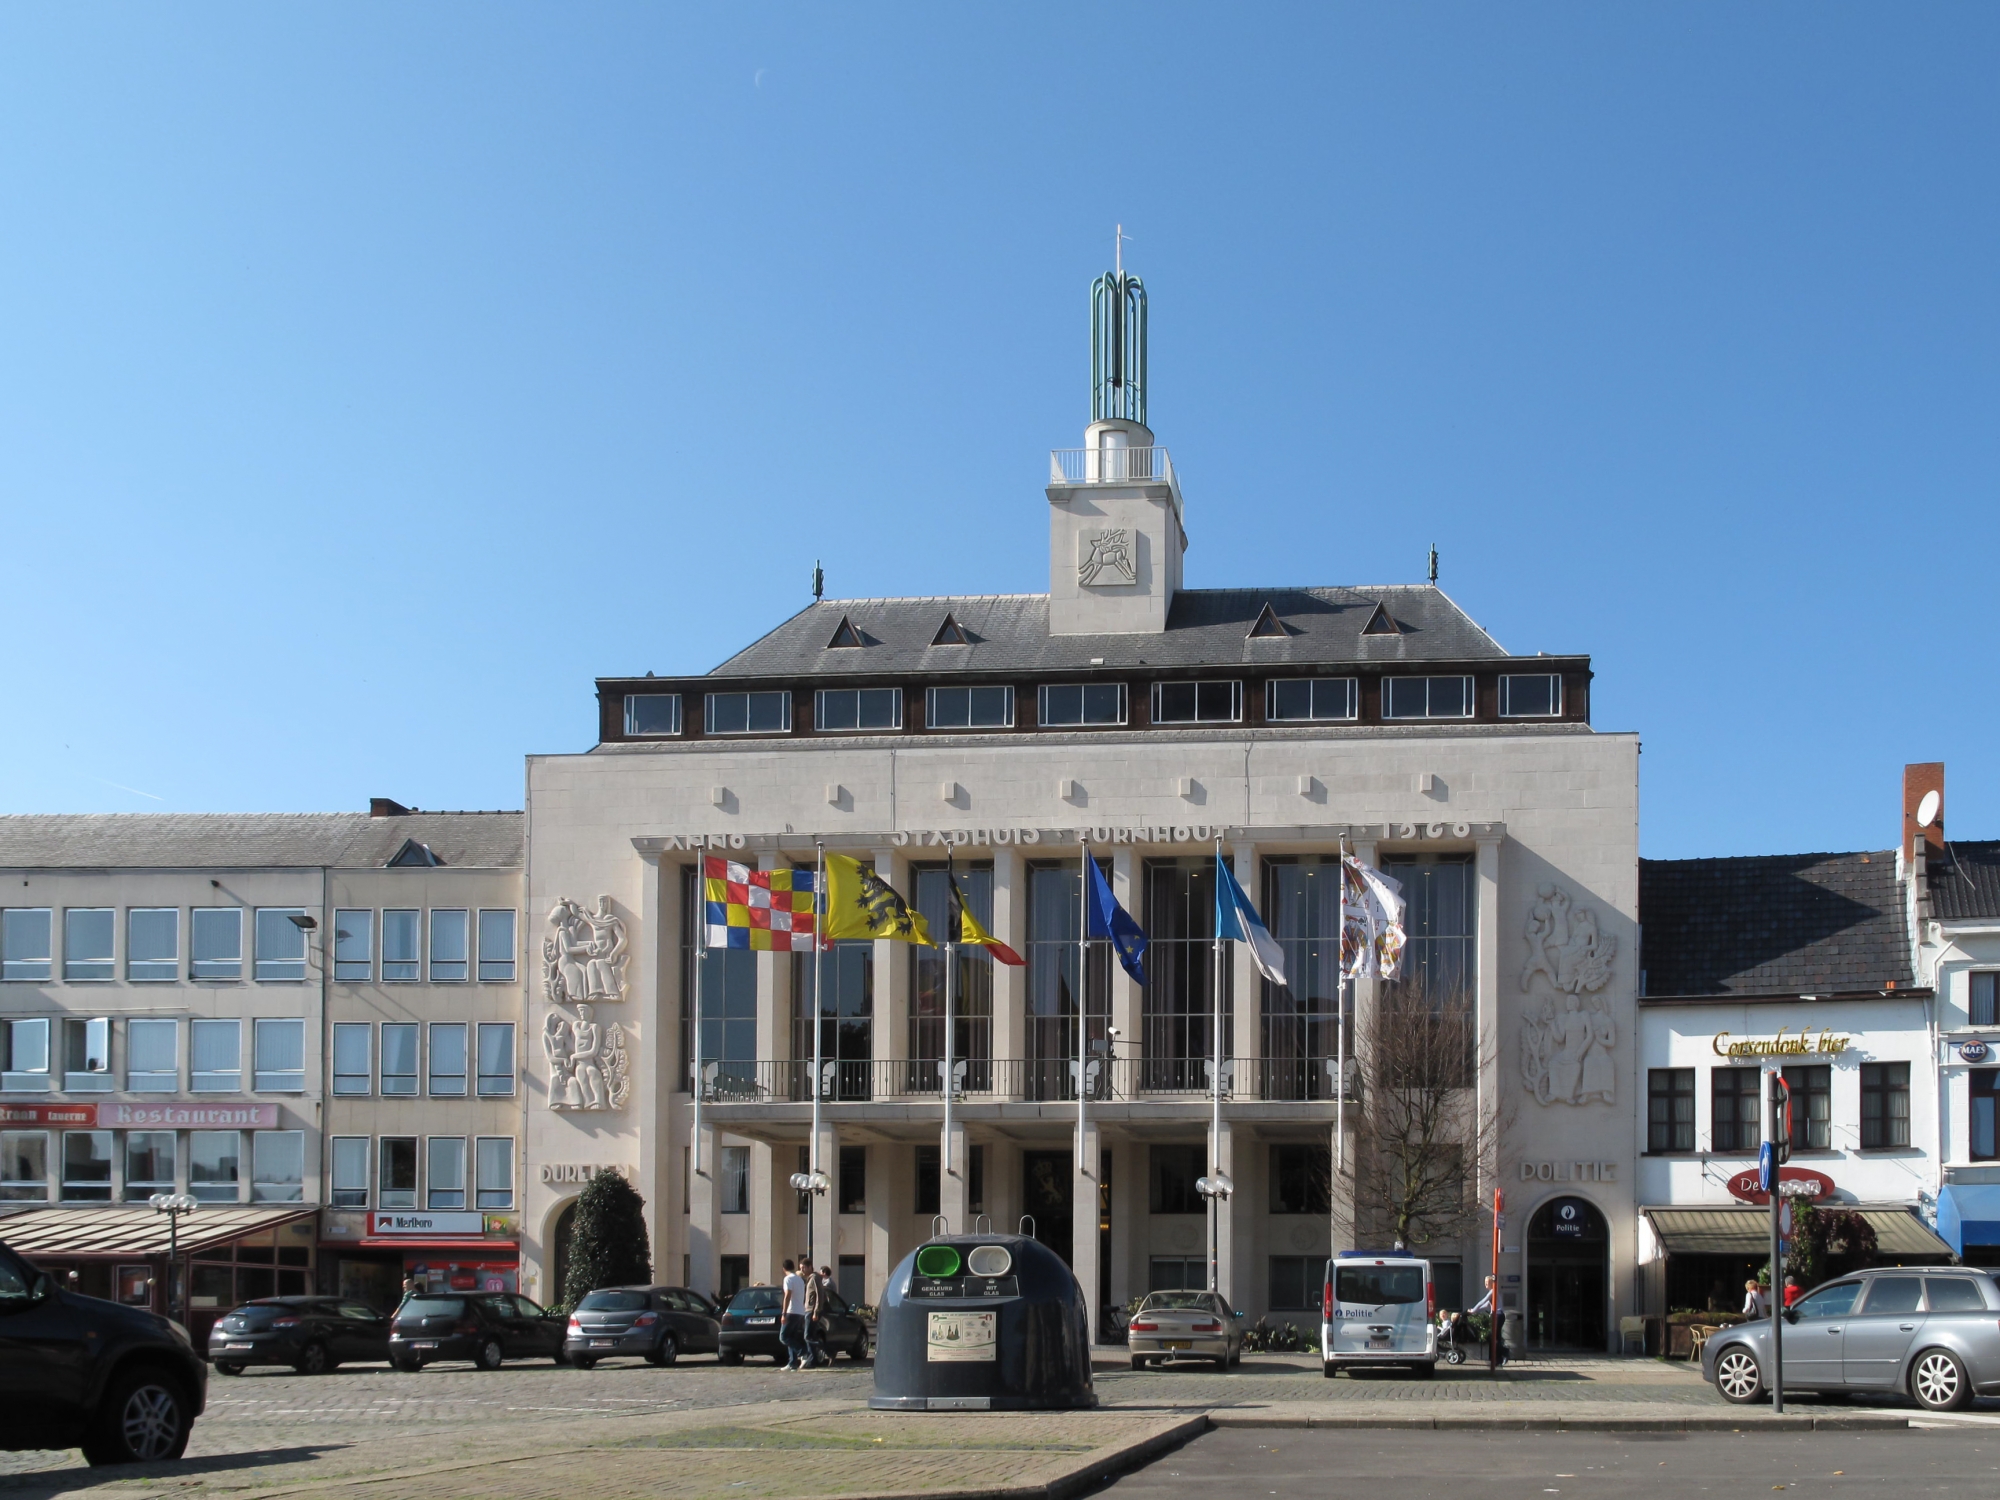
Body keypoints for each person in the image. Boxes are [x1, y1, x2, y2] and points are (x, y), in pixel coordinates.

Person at [780, 1259, 809, 1371]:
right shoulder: (800, 1280)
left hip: (791, 1311)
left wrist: (783, 1313)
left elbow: (788, 1295)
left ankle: (803, 1353)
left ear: (784, 1269)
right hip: (800, 1311)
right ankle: (792, 1363)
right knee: (791, 1337)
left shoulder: (788, 1279)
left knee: (784, 1337)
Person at [801, 1252, 826, 1368]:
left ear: (810, 1267)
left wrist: (816, 1311)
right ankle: (814, 1359)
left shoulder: (815, 1278)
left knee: (807, 1336)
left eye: (804, 1268)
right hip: (808, 1309)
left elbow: (819, 1294)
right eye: (801, 1268)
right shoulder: (809, 1279)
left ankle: (824, 1351)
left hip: (812, 1311)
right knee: (811, 1336)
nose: (802, 1270)